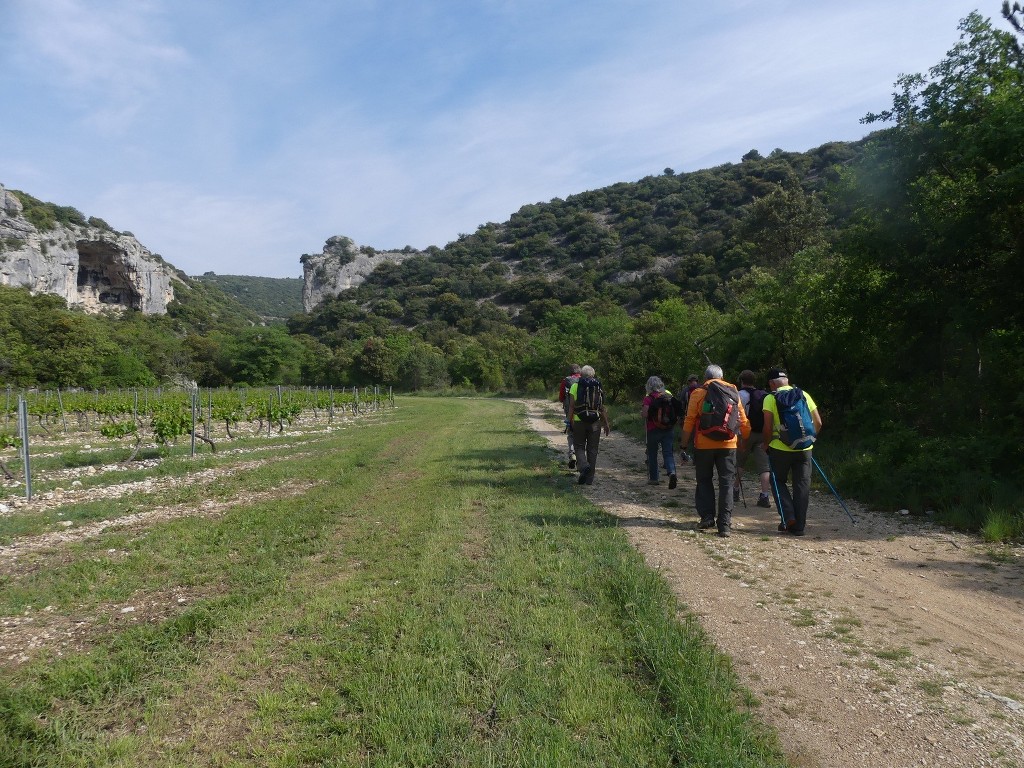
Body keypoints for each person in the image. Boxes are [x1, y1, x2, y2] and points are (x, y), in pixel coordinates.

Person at [679, 364, 751, 537]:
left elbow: (689, 421)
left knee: (704, 480)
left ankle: (707, 517)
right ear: (722, 376)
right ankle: (724, 524)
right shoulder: (733, 391)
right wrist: (744, 440)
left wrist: (683, 445)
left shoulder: (698, 393)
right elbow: (743, 420)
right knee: (726, 482)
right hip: (728, 444)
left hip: (704, 445)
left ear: (706, 378)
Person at [762, 367, 823, 536]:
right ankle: (800, 527)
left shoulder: (770, 398)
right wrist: (810, 439)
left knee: (777, 481)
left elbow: (767, 426)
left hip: (780, 448)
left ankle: (789, 517)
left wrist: (765, 444)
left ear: (772, 383)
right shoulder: (803, 394)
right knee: (802, 485)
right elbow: (818, 422)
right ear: (787, 380)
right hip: (805, 448)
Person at [734, 369, 772, 509]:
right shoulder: (764, 395)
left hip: (745, 434)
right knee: (764, 466)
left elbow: (736, 416)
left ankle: (735, 490)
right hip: (762, 433)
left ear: (741, 381)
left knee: (740, 462)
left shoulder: (739, 395)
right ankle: (764, 495)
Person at [567, 365, 610, 485]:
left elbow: (571, 406)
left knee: (579, 446)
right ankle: (590, 478)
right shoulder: (598, 386)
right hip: (595, 422)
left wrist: (568, 421)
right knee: (592, 449)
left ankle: (583, 467)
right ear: (593, 375)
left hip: (579, 420)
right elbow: (601, 407)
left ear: (581, 375)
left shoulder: (575, 386)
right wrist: (606, 423)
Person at [641, 376, 677, 489]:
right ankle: (671, 472)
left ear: (649, 386)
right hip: (668, 429)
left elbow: (646, 414)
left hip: (653, 429)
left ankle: (654, 478)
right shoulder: (668, 396)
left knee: (652, 453)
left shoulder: (648, 398)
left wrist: (642, 413)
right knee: (668, 453)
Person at [558, 364, 582, 469]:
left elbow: (561, 397)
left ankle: (572, 454)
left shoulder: (565, 381)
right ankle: (581, 459)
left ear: (570, 372)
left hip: (570, 412)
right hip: (584, 412)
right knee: (582, 435)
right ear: (580, 372)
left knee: (571, 433)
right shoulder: (585, 380)